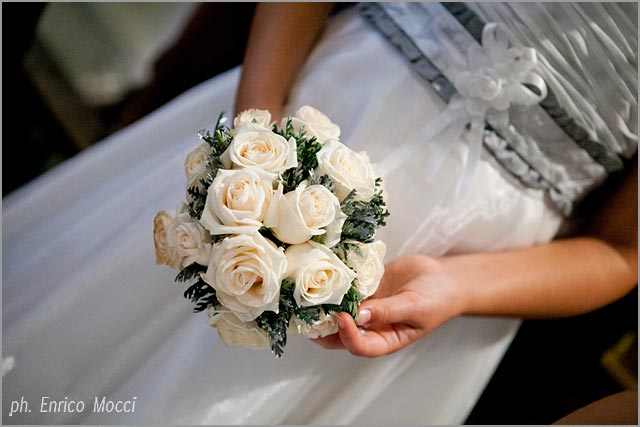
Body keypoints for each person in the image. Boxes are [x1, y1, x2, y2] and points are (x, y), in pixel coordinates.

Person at [2, 2, 636, 425]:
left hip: (473, 265)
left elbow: (624, 250)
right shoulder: (266, 133)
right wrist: (257, 134)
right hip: (316, 103)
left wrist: (456, 287)